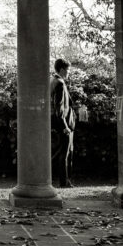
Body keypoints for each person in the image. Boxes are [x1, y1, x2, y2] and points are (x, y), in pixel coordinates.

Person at [50, 58, 76, 187]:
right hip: (64, 125)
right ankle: (64, 182)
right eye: (68, 70)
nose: (68, 73)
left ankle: (66, 181)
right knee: (65, 154)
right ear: (62, 70)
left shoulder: (54, 80)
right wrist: (65, 126)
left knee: (66, 152)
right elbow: (58, 107)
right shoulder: (59, 83)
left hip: (64, 123)